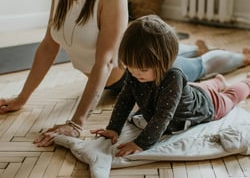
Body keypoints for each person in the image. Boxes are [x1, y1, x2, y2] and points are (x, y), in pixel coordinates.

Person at [0, 0, 249, 147]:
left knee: (202, 65)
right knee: (181, 52)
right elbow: (48, 46)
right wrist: (22, 98)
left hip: (136, 76)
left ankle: (243, 57)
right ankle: (195, 48)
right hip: (131, 65)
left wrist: (76, 123)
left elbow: (106, 61)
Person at [91, 15, 250, 157]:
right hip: (190, 91)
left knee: (230, 97)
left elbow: (163, 115)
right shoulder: (135, 74)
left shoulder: (173, 76)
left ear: (164, 63)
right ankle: (218, 81)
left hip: (208, 104)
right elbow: (125, 100)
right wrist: (114, 128)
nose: (134, 73)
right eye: (130, 67)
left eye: (143, 69)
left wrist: (141, 143)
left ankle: (246, 83)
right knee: (200, 88)